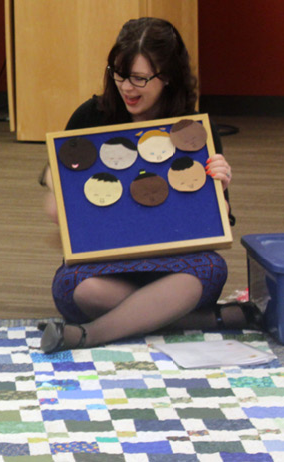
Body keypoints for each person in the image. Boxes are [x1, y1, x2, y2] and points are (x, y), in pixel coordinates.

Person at [39, 17, 253, 353]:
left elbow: (220, 221)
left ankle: (90, 335)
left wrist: (219, 186)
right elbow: (59, 208)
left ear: (167, 77)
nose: (126, 87)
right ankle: (194, 320)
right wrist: (55, 181)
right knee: (72, 286)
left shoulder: (190, 131)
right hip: (107, 265)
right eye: (119, 74)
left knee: (211, 269)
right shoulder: (91, 117)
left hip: (174, 266)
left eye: (138, 78)